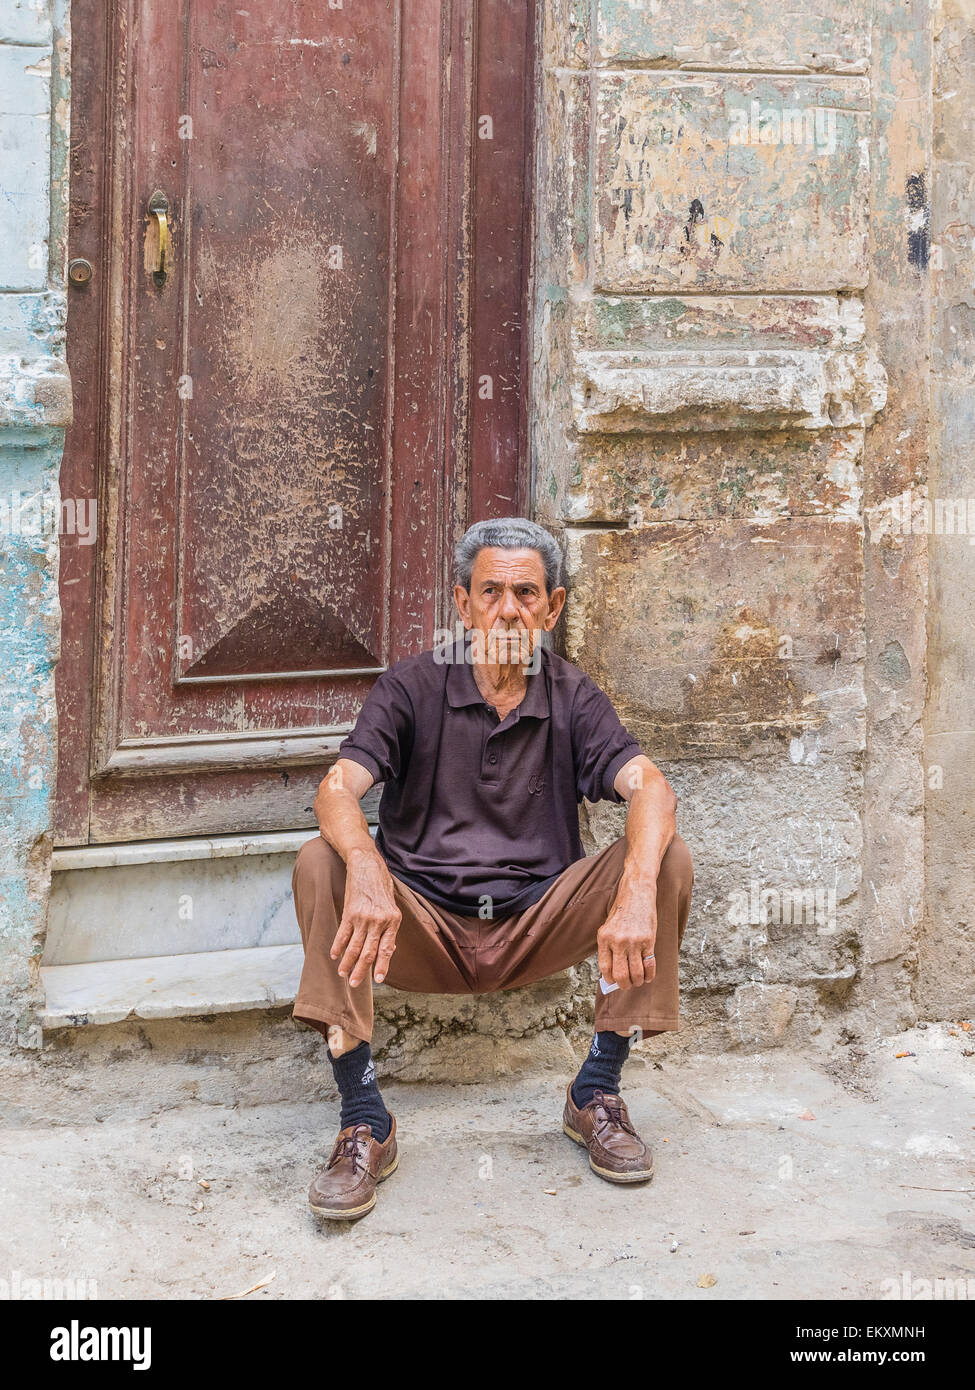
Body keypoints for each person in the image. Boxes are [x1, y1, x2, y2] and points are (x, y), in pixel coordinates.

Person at [291, 517, 693, 1220]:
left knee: (664, 858)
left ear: (553, 607)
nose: (508, 609)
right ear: (462, 602)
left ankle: (596, 1089)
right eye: (491, 592)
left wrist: (632, 891)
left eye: (526, 594)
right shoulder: (412, 687)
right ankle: (363, 1118)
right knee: (318, 861)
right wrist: (364, 865)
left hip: (538, 922)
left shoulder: (572, 696)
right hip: (418, 927)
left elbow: (651, 787)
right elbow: (336, 789)